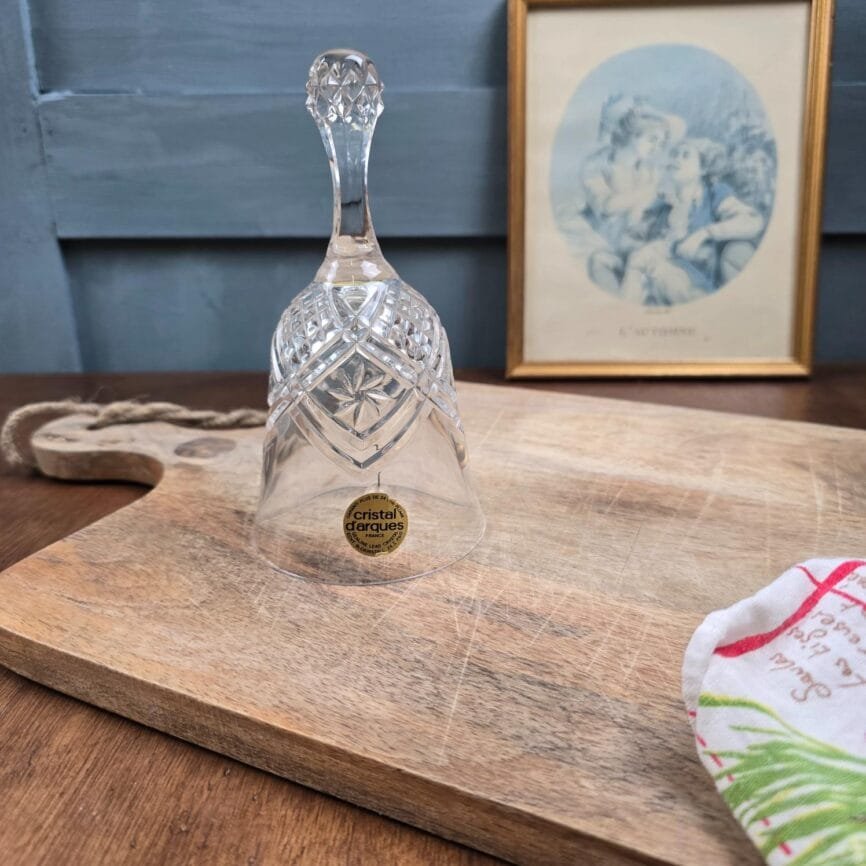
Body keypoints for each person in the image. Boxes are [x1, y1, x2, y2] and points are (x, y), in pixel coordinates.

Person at [618, 138, 765, 305]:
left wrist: (704, 233)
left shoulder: (713, 194)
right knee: (640, 259)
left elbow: (753, 221)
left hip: (697, 282)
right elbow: (630, 238)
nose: (677, 159)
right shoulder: (664, 203)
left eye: (685, 155)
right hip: (658, 279)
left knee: (654, 266)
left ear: (702, 168)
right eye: (675, 154)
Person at [579, 97, 686, 292]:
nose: (657, 147)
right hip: (609, 239)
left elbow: (666, 210)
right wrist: (650, 191)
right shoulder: (596, 165)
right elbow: (606, 206)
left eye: (661, 143)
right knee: (599, 262)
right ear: (630, 135)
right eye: (652, 139)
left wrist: (670, 206)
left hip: (644, 241)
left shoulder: (651, 170)